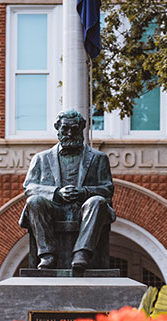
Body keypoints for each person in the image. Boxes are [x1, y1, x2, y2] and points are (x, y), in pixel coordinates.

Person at [19, 109, 115, 271]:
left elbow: (107, 189)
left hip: (85, 210)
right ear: (58, 129)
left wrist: (83, 192)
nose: (70, 133)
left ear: (82, 129)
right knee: (34, 201)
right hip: (53, 210)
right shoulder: (41, 159)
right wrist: (56, 193)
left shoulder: (99, 158)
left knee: (98, 201)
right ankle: (47, 255)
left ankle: (81, 253)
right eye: (65, 129)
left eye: (74, 129)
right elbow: (29, 187)